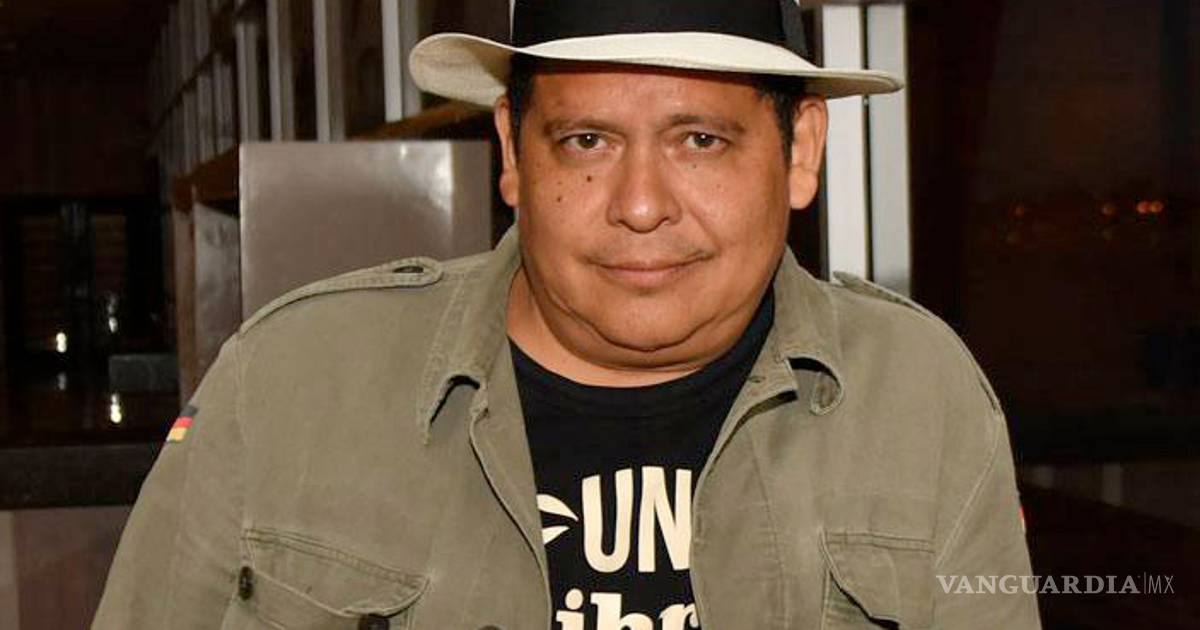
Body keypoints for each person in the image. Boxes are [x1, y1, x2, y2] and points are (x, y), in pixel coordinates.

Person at [94, 1, 1041, 628]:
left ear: (801, 152)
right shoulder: (289, 387)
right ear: (513, 152)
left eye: (701, 140)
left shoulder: (921, 399)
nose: (641, 204)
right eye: (587, 140)